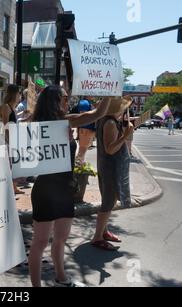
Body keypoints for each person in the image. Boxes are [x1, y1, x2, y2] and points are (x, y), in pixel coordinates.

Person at [28, 86, 111, 287]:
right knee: (39, 243)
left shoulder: (68, 120)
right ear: (53, 101)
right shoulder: (35, 125)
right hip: (46, 190)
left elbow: (98, 113)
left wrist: (110, 90)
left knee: (61, 239)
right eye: (64, 98)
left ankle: (61, 278)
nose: (68, 101)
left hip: (65, 188)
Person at [91, 96, 134, 251]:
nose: (124, 110)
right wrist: (125, 136)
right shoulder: (109, 123)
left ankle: (104, 231)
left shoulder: (109, 120)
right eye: (122, 108)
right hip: (110, 167)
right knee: (108, 202)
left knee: (110, 199)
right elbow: (110, 149)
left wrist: (125, 129)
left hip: (109, 166)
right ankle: (97, 237)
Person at [0, 84, 25, 195]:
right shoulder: (6, 107)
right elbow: (6, 125)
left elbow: (15, 122)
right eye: (19, 93)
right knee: (9, 164)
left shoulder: (12, 107)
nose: (20, 95)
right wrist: (9, 141)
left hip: (13, 139)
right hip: (8, 140)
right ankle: (9, 189)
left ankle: (14, 187)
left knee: (13, 164)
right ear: (14, 94)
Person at [76, 96, 96, 163]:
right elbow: (82, 114)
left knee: (83, 148)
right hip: (85, 129)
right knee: (82, 149)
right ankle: (79, 164)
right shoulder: (84, 102)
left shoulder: (87, 102)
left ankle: (80, 164)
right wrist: (95, 111)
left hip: (87, 128)